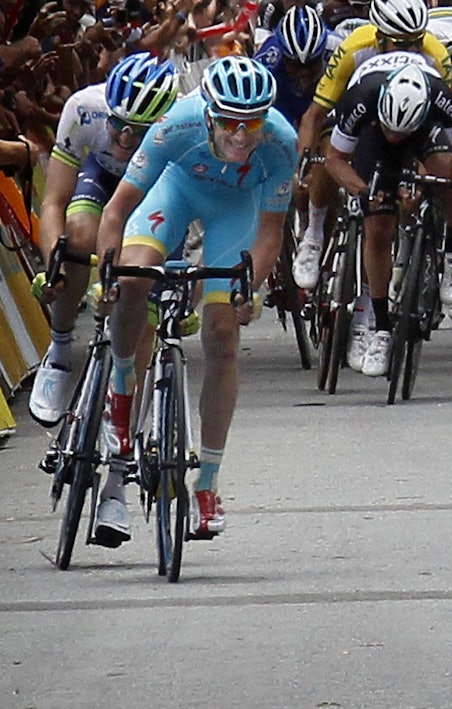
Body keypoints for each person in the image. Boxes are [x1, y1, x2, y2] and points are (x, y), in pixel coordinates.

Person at [93, 57, 298, 545]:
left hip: (235, 211)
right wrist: (107, 274)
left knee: (223, 334)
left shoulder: (282, 142)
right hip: (176, 192)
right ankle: (121, 395)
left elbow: (270, 234)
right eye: (229, 121)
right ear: (209, 113)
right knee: (137, 274)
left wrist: (252, 286)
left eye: (253, 122)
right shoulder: (175, 125)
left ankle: (206, 484)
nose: (242, 135)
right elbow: (118, 210)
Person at [28, 55, 181, 425]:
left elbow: (186, 210)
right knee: (78, 235)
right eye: (119, 125)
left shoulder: (181, 126)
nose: (125, 139)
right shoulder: (84, 108)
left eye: (138, 131)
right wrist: (54, 264)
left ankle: (124, 409)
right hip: (100, 178)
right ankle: (60, 350)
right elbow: (54, 201)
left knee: (144, 295)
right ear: (107, 110)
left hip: (156, 187)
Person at [323, 63, 452, 375]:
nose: (395, 136)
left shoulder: (439, 98)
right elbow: (334, 159)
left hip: (424, 135)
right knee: (379, 229)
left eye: (401, 132)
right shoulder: (362, 98)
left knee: (447, 168)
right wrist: (362, 191)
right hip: (373, 137)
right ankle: (381, 327)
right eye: (392, 130)